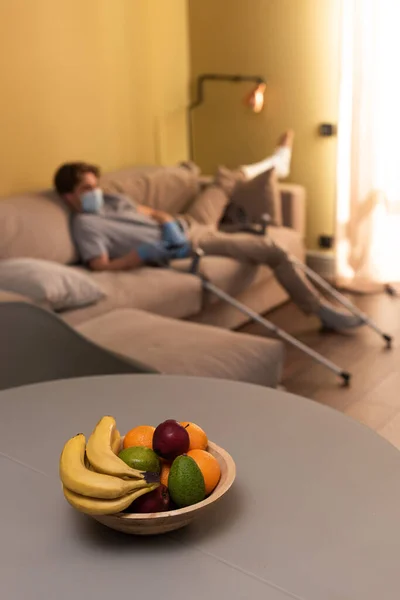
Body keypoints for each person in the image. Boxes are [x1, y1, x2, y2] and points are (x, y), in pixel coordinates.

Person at [53, 132, 362, 331]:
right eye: (86, 188)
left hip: (186, 223)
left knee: (224, 181)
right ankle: (318, 308)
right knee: (271, 249)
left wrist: (168, 222)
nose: (95, 191)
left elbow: (154, 213)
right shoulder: (86, 225)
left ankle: (277, 163)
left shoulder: (113, 199)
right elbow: (101, 265)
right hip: (189, 243)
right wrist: (141, 255)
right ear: (70, 196)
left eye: (95, 184)